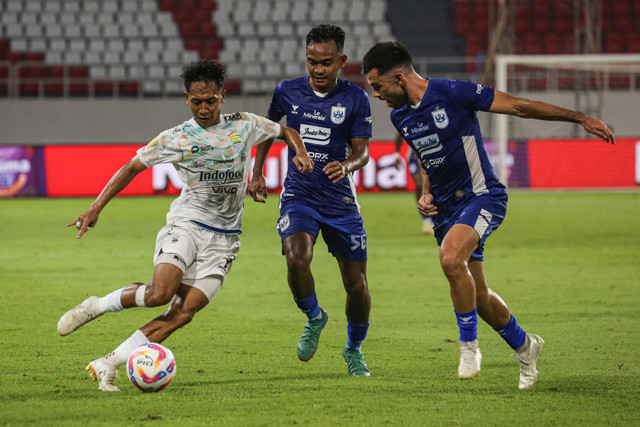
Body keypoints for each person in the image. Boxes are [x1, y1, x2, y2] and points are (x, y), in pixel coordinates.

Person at [362, 41, 615, 389]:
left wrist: (580, 117)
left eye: (377, 86)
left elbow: (520, 107)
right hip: (447, 211)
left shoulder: (454, 92)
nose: (375, 94)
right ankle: (526, 347)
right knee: (477, 297)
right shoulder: (401, 115)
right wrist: (426, 189)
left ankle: (469, 348)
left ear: (400, 78)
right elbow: (424, 151)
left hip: (483, 196)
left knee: (450, 259)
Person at [57, 60, 313, 392]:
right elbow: (132, 166)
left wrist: (300, 153)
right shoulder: (177, 138)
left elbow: (285, 131)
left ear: (223, 96)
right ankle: (97, 304)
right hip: (187, 224)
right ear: (186, 98)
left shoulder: (245, 125)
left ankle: (108, 363)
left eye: (210, 101)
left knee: (182, 313)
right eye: (196, 102)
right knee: (159, 294)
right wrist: (95, 208)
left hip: (225, 240)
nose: (203, 108)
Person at [249, 24, 373, 376]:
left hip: (340, 203)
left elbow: (363, 154)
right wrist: (257, 172)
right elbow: (268, 132)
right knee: (297, 258)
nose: (318, 69)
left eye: (326, 62)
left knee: (357, 286)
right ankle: (315, 317)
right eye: (312, 61)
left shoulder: (355, 98)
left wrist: (347, 165)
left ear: (342, 61)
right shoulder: (286, 92)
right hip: (299, 194)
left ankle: (353, 348)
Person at [393, 133, 434, 235]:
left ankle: (435, 218)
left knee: (432, 187)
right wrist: (397, 155)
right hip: (414, 157)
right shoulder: (411, 118)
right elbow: (399, 134)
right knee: (420, 185)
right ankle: (426, 220)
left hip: (432, 154)